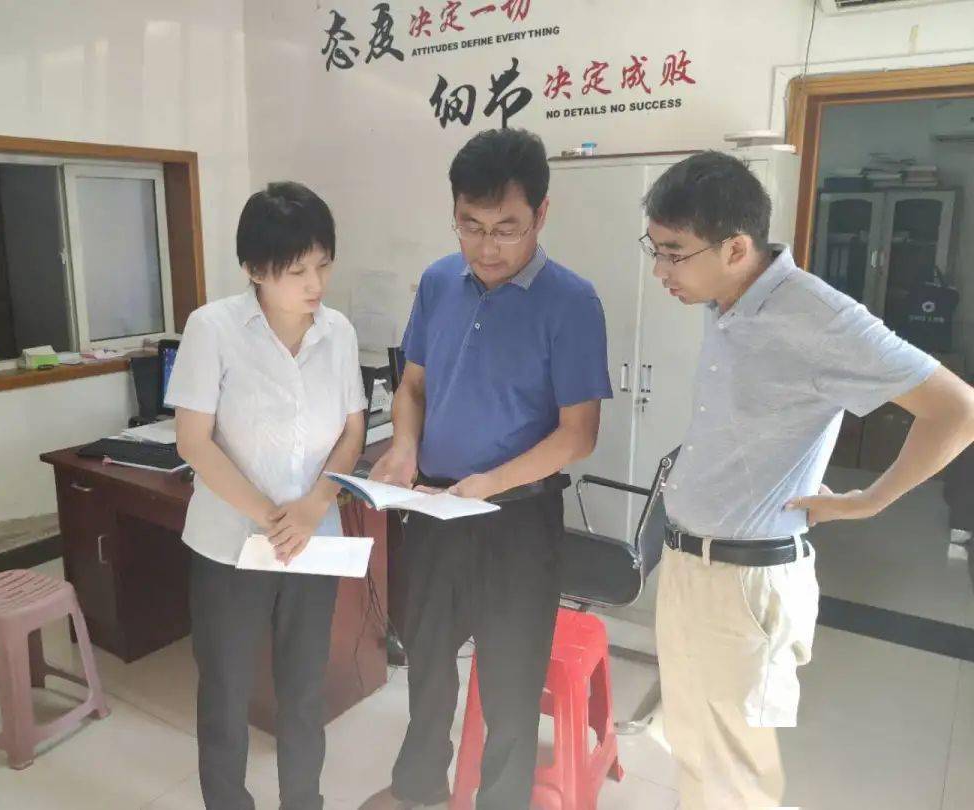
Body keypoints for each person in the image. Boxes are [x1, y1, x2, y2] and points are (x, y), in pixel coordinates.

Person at [640, 151, 974, 809]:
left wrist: (870, 500)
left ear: (736, 248)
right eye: (655, 250)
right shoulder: (725, 300)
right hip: (688, 566)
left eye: (674, 254)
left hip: (745, 582)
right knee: (695, 750)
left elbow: (957, 410)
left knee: (735, 775)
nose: (660, 271)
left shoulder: (820, 317)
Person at [360, 128, 613, 810]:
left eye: (506, 229)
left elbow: (579, 434)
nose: (486, 247)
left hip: (519, 519)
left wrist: (490, 485)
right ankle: (418, 789)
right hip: (436, 507)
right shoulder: (439, 281)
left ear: (541, 214)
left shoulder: (572, 302)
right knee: (426, 661)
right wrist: (404, 447)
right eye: (470, 226)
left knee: (510, 678)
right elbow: (413, 386)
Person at [166, 181, 368, 810]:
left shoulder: (339, 332)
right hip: (231, 545)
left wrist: (314, 506)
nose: (316, 283)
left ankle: (303, 801)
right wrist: (274, 517)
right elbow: (193, 441)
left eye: (323, 265)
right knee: (225, 692)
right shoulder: (213, 328)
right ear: (255, 269)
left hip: (313, 544)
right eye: (297, 270)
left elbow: (354, 430)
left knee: (304, 692)